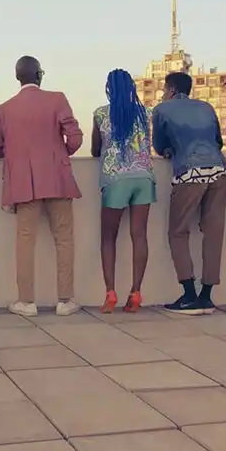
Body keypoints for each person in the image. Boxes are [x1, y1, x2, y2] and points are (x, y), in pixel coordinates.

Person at [0, 55, 83, 318]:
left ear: (17, 77)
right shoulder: (57, 99)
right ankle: (65, 300)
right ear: (39, 75)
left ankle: (26, 301)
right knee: (64, 238)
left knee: (25, 240)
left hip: (23, 184)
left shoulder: (2, 110)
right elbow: (75, 137)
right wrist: (59, 154)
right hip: (57, 179)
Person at [152, 71, 226, 315]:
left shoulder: (162, 110)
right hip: (219, 171)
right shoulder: (206, 107)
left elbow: (159, 145)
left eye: (165, 90)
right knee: (213, 233)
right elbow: (217, 141)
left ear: (171, 89)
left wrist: (170, 150)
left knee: (177, 232)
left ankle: (188, 295)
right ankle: (206, 296)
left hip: (188, 172)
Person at [90, 69, 155, 314]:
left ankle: (110, 292)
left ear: (109, 89)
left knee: (109, 237)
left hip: (115, 179)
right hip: (144, 177)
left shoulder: (101, 114)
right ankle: (136, 292)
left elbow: (95, 150)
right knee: (139, 236)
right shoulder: (144, 113)